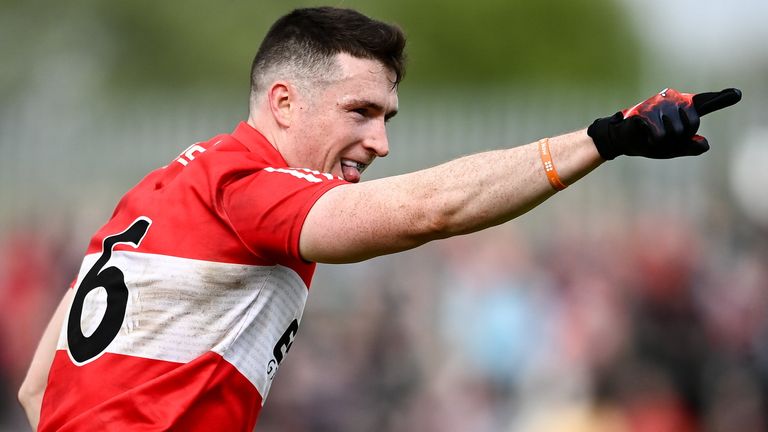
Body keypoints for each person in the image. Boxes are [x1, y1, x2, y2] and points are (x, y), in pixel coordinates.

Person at [17, 6, 741, 431]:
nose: (381, 141)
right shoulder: (249, 186)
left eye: (387, 116)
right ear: (283, 103)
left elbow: (36, 388)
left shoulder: (155, 191)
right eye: (360, 112)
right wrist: (603, 140)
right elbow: (430, 210)